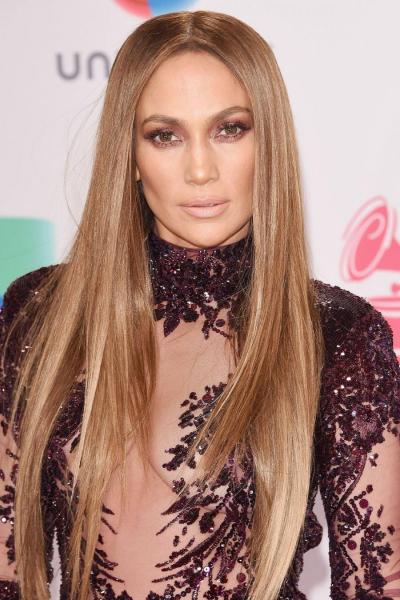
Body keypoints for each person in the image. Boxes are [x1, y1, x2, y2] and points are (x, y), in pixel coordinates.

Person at [0, 9, 399, 600]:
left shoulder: (337, 335)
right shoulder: (41, 313)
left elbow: (379, 585)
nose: (200, 169)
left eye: (229, 129)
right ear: (130, 156)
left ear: (269, 143)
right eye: (166, 135)